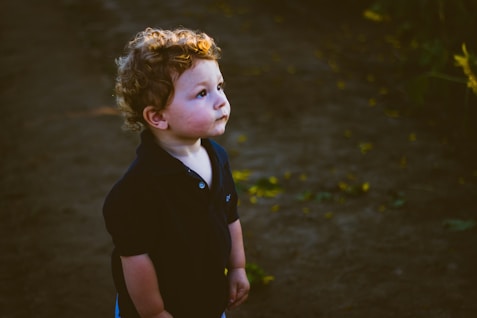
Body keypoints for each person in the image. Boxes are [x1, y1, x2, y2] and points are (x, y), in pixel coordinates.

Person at [103, 27, 250, 318]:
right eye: (202, 94)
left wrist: (237, 267)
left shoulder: (216, 157)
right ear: (157, 117)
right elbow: (134, 258)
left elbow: (230, 216)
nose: (220, 101)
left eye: (219, 87)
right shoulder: (138, 191)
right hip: (163, 309)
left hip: (208, 300)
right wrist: (155, 312)